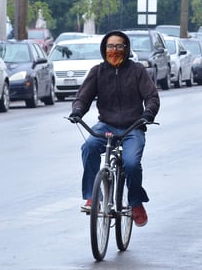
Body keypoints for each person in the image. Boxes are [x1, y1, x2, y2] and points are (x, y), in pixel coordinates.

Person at [69, 30, 160, 227]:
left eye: (119, 46)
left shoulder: (137, 70)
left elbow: (152, 97)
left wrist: (147, 114)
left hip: (133, 127)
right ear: (104, 49)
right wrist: (77, 111)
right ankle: (92, 198)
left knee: (132, 163)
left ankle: (135, 202)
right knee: (89, 147)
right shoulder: (98, 71)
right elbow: (83, 97)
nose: (114, 50)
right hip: (106, 125)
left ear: (126, 49)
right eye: (110, 46)